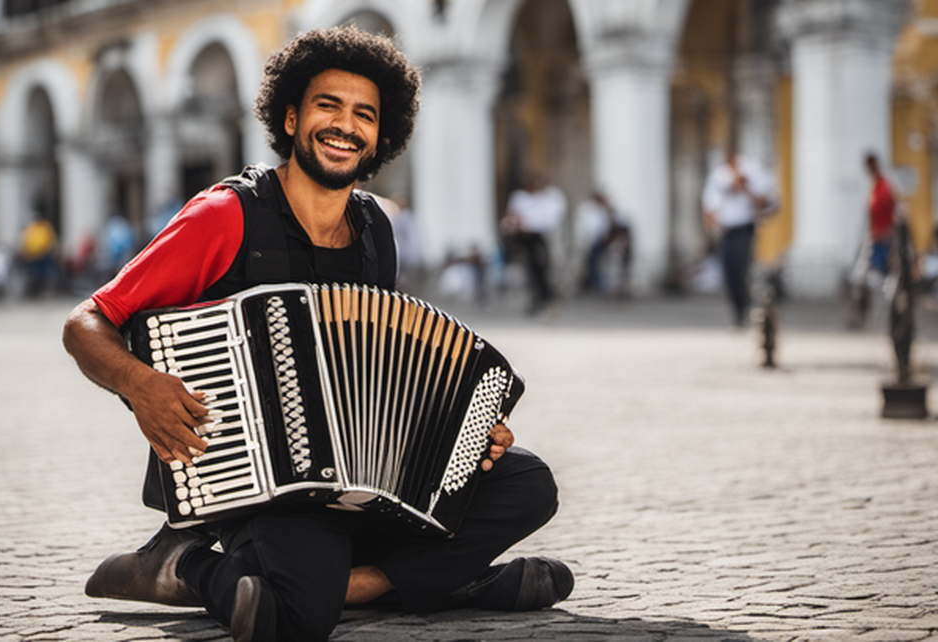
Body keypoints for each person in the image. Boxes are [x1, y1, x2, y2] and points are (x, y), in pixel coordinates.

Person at [62, 26, 570, 642]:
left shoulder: (375, 232)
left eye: (364, 115)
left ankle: (359, 585)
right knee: (295, 621)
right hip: (253, 486)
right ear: (292, 115)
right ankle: (187, 562)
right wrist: (142, 386)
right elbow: (86, 323)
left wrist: (461, 435)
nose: (345, 126)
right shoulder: (226, 215)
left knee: (529, 484)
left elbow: (379, 375)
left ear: (381, 136)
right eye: (328, 106)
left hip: (357, 488)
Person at [702, 149, 774, 327]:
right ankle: (738, 309)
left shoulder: (753, 173)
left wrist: (745, 188)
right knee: (730, 271)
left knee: (742, 267)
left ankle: (750, 306)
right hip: (727, 230)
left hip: (745, 228)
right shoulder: (719, 176)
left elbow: (765, 203)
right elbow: (710, 205)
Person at [501, 174, 566, 315]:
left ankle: (546, 300)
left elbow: (550, 220)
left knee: (542, 270)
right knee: (532, 271)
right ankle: (539, 300)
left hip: (540, 238)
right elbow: (514, 216)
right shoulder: (521, 198)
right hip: (527, 238)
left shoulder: (548, 198)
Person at [848, 153, 896, 328]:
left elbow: (889, 210)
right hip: (874, 236)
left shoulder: (884, 187)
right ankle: (866, 314)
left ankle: (883, 316)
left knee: (879, 279)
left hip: (883, 237)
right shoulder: (875, 186)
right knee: (862, 277)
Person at [574, 190, 632, 298]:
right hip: (598, 242)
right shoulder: (588, 210)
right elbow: (591, 228)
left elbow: (621, 223)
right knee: (594, 261)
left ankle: (618, 285)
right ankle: (597, 285)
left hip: (610, 241)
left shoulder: (610, 210)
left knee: (614, 262)